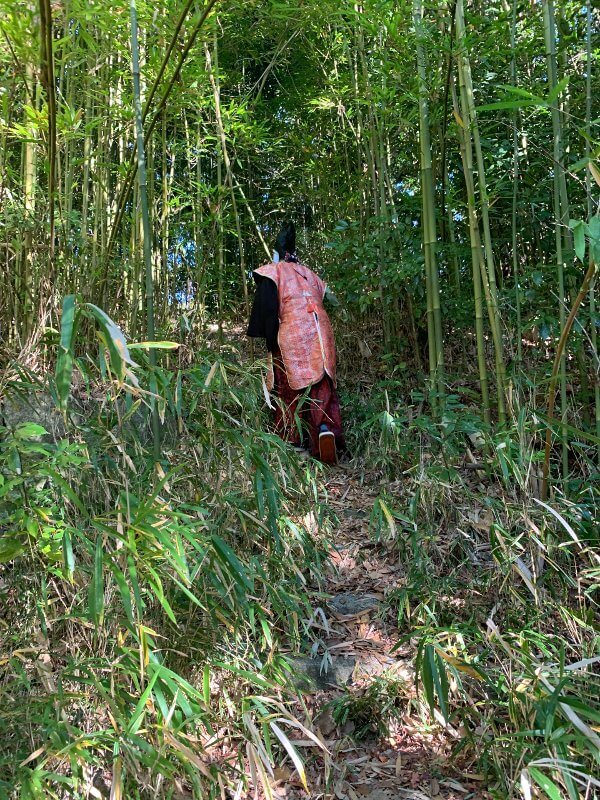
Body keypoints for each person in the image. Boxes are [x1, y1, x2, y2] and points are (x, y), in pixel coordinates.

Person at [247, 221, 344, 464]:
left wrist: (271, 342)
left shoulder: (273, 271)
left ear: (277, 253)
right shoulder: (311, 274)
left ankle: (295, 441)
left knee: (288, 387)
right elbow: (331, 299)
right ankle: (324, 430)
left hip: (293, 334)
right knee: (321, 386)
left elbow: (268, 309)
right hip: (322, 334)